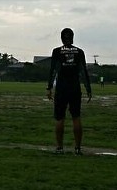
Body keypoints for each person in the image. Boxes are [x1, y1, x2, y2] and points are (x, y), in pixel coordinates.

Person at [46, 27, 92, 155]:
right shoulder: (79, 52)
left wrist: (49, 87)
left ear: (61, 38)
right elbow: (83, 71)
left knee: (60, 118)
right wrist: (88, 89)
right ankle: (77, 148)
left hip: (61, 88)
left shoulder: (57, 52)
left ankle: (60, 148)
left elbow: (53, 70)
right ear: (72, 37)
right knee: (76, 117)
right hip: (75, 88)